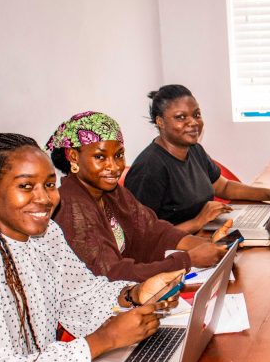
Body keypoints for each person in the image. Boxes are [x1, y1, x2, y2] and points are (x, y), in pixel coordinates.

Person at [0, 133, 183, 362]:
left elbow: (80, 295)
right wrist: (103, 340)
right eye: (26, 186)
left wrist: (134, 293)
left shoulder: (47, 233)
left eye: (50, 185)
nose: (44, 198)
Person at [46, 111, 226, 282]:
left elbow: (153, 231)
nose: (115, 167)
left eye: (118, 155)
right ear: (73, 157)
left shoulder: (110, 192)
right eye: (100, 157)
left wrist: (203, 244)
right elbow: (111, 274)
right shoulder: (70, 208)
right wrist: (187, 260)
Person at [124, 84, 270, 233]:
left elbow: (223, 187)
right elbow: (142, 237)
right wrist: (198, 222)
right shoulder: (149, 169)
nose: (193, 122)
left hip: (207, 234)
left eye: (196, 114)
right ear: (160, 122)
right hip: (176, 254)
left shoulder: (194, 150)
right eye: (181, 117)